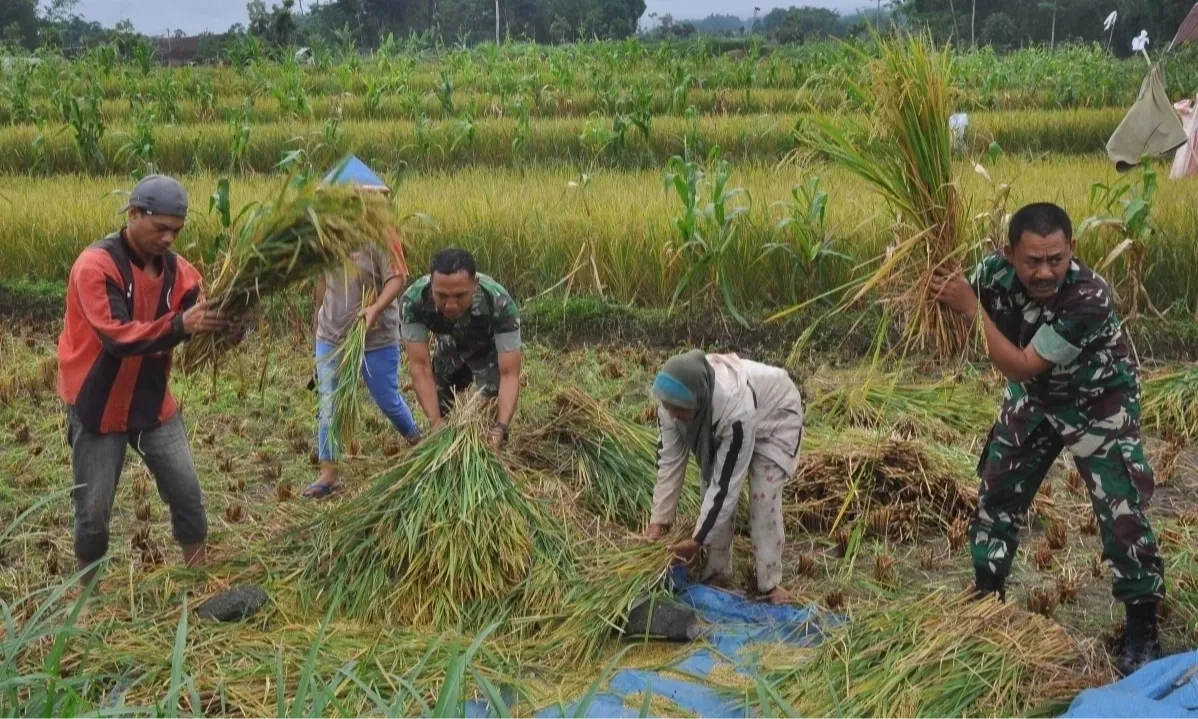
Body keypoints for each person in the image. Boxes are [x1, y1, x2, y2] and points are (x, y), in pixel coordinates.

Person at [929, 202, 1165, 676]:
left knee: (1121, 512)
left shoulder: (1088, 297)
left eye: (1055, 259)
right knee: (997, 494)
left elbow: (1020, 363)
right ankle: (986, 600)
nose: (1044, 272)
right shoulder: (992, 274)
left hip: (1097, 400)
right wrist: (933, 279)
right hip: (1035, 399)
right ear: (1009, 254)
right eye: (1032, 261)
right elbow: (945, 294)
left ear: (1071, 250)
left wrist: (970, 307)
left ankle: (1143, 628)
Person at [57, 174, 229, 588]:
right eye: (161, 228)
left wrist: (228, 320)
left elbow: (197, 317)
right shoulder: (95, 266)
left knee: (186, 491)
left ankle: (198, 581)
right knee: (94, 512)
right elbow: (116, 336)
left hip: (152, 402)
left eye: (177, 231)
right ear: (134, 215)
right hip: (98, 402)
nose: (169, 238)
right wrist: (180, 324)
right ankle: (86, 598)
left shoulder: (181, 273)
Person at [643, 350, 805, 605]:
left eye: (679, 410)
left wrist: (696, 542)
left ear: (698, 401)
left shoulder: (732, 407)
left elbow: (725, 486)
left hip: (775, 420)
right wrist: (659, 521)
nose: (673, 415)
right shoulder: (672, 402)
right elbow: (669, 464)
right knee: (710, 493)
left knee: (762, 503)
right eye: (668, 408)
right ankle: (717, 574)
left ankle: (771, 584)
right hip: (733, 422)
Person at [306, 157, 421, 498]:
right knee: (329, 404)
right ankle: (329, 473)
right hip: (331, 334)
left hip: (375, 336)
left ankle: (417, 441)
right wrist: (317, 318)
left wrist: (374, 309)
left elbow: (398, 277)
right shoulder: (326, 237)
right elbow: (322, 283)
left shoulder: (383, 235)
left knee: (387, 399)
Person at [399, 248, 522, 451]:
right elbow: (420, 367)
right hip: (448, 345)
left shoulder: (500, 304)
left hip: (487, 348)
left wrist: (501, 427)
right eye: (442, 295)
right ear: (431, 284)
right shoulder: (413, 302)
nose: (450, 304)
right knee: (441, 411)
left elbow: (509, 373)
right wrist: (436, 423)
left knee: (491, 420)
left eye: (459, 295)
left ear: (474, 285)